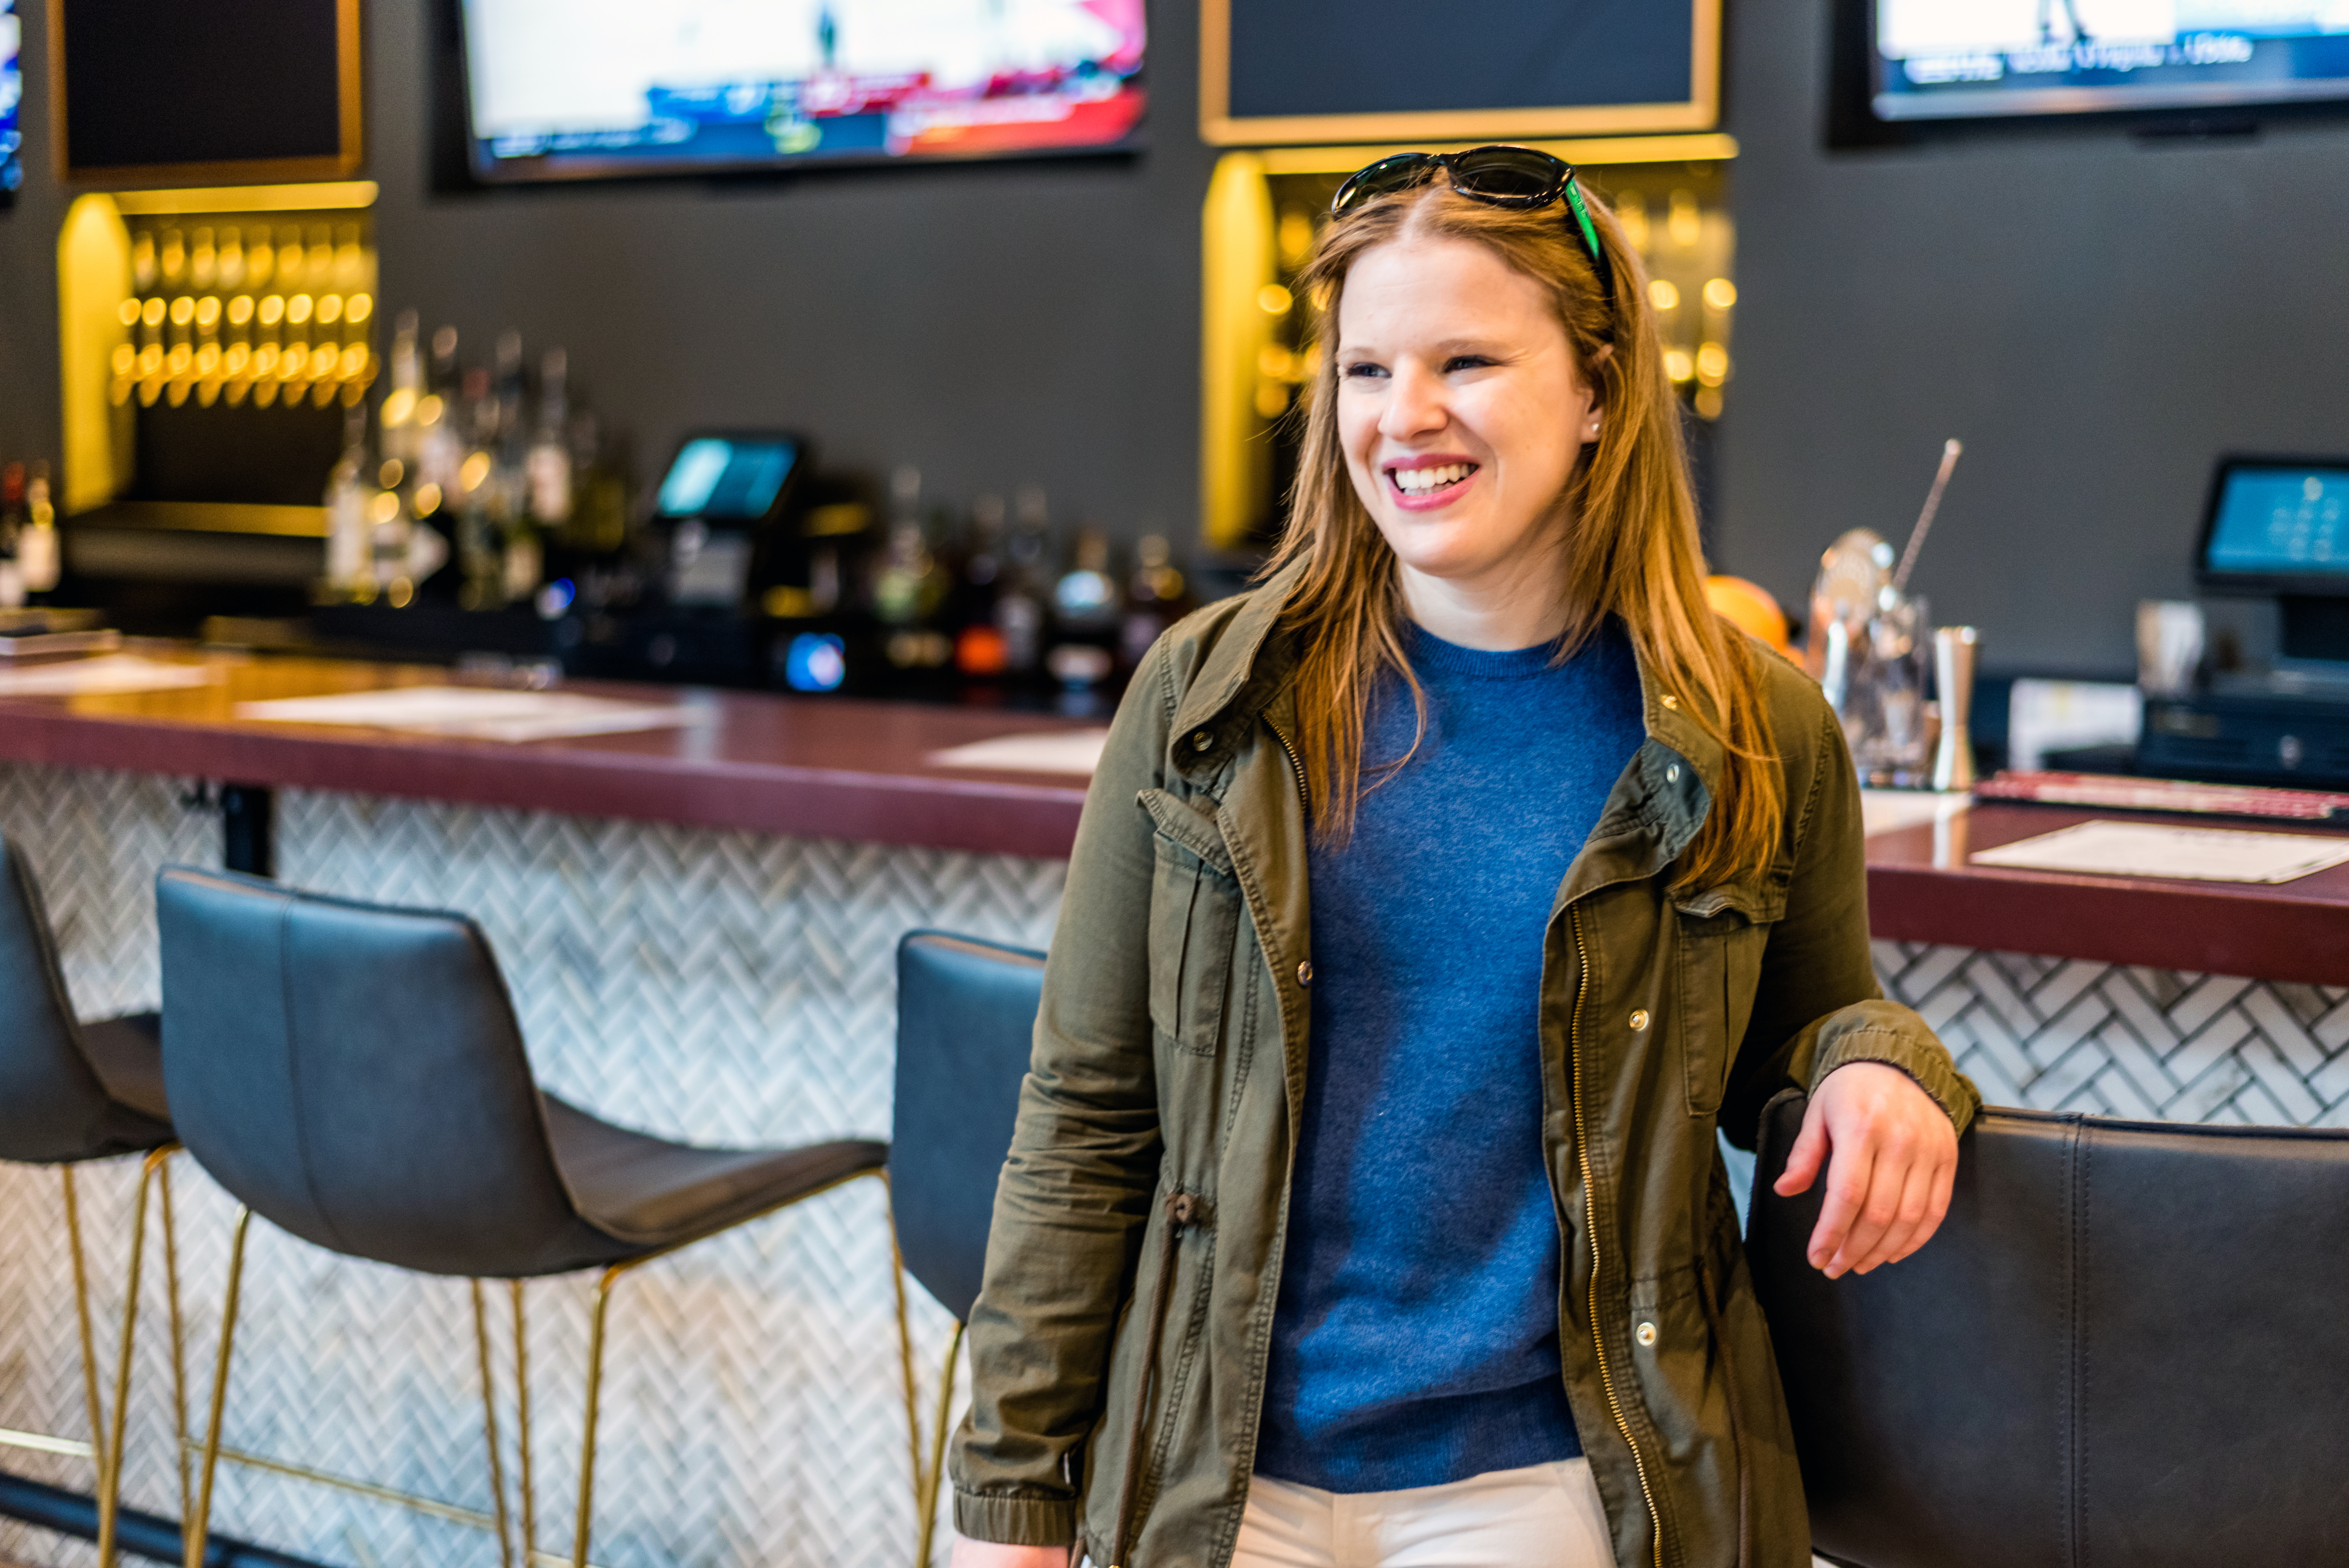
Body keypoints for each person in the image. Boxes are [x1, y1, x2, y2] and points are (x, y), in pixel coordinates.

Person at [947, 147, 1979, 1568]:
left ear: (1603, 390)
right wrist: (1014, 1504)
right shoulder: (1204, 699)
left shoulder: (1759, 727)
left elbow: (1799, 1040)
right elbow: (1084, 1117)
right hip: (1215, 1470)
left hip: (1552, 1477)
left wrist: (1880, 1059)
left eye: (1467, 362)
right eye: (1365, 370)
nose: (1404, 417)